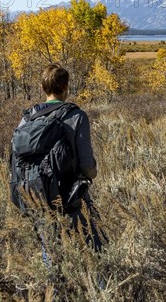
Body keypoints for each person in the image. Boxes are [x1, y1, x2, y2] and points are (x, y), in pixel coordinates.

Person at [12, 64, 106, 260]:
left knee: (52, 254)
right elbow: (87, 165)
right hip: (70, 196)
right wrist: (91, 175)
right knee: (97, 251)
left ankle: (55, 289)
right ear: (65, 87)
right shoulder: (76, 116)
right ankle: (100, 288)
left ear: (43, 87)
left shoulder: (27, 119)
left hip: (37, 197)